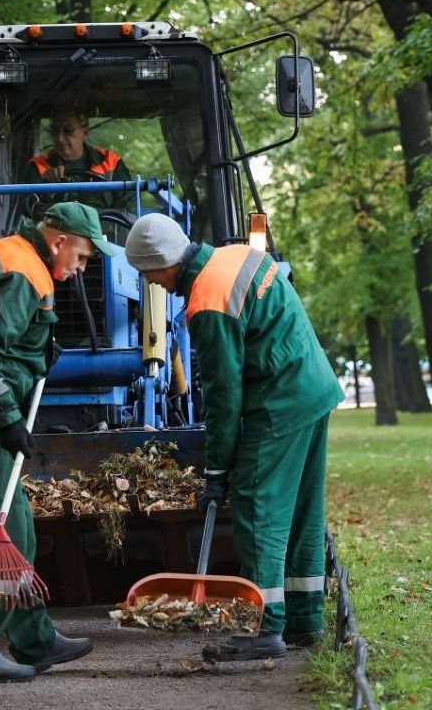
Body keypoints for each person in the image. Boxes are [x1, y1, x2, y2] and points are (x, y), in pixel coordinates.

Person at [123, 213, 344, 662]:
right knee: (302, 509)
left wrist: (217, 471)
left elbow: (225, 396)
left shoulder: (207, 300)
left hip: (280, 400)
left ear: (164, 262)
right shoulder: (237, 255)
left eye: (149, 274)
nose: (154, 284)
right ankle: (304, 621)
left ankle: (265, 627)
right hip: (313, 387)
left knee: (256, 506)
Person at [0, 201, 119, 683]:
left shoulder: (20, 258)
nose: (80, 269)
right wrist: (6, 416)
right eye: (80, 257)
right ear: (58, 241)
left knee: (21, 528)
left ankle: (34, 639)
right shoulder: (25, 274)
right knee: (3, 532)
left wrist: (39, 349)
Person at [28, 107, 132, 210]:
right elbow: (28, 210)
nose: (59, 138)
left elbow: (130, 209)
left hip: (103, 225)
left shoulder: (111, 163)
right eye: (54, 131)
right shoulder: (38, 167)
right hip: (56, 226)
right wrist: (47, 193)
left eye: (67, 130)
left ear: (85, 131)